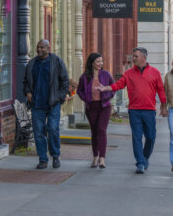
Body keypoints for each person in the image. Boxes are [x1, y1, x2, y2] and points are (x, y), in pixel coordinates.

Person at [98, 47, 166, 174]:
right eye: (133, 56)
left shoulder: (155, 72)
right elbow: (119, 84)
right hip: (134, 110)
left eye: (136, 56)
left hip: (149, 110)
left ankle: (145, 158)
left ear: (144, 58)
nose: (133, 58)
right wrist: (106, 88)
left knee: (151, 137)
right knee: (136, 137)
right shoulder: (128, 73)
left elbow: (161, 89)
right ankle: (140, 163)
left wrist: (163, 105)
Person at [23, 39, 69, 169]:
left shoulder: (56, 61)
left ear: (48, 48)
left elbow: (64, 81)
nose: (39, 50)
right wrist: (28, 93)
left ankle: (55, 156)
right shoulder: (31, 63)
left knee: (53, 129)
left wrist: (59, 97)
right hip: (37, 104)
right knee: (38, 133)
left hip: (52, 104)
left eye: (42, 47)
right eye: (38, 47)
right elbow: (26, 81)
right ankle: (43, 159)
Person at [77, 53, 115, 169]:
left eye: (102, 61)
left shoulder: (106, 74)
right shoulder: (85, 76)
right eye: (98, 61)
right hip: (91, 107)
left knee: (101, 130)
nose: (101, 64)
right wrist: (86, 99)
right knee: (94, 131)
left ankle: (102, 158)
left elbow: (114, 87)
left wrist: (108, 96)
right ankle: (95, 156)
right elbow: (80, 91)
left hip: (104, 106)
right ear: (92, 62)